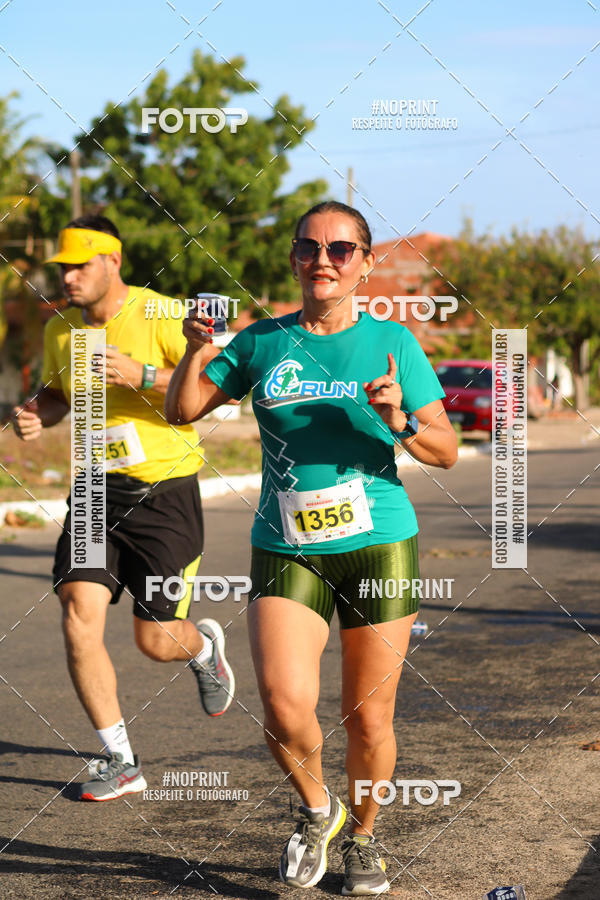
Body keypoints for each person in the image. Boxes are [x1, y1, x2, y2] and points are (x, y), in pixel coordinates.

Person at [165, 201, 457, 895]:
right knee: (281, 700)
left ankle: (363, 838)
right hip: (285, 543)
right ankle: (315, 808)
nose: (323, 260)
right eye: (309, 247)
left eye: (341, 249)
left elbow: (444, 450)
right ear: (294, 257)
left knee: (368, 713)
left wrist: (400, 421)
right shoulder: (262, 341)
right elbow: (183, 409)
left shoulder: (395, 345)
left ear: (364, 261)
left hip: (379, 543)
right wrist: (195, 348)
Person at [11, 215, 234, 801]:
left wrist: (146, 375)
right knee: (77, 611)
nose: (69, 277)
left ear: (113, 261)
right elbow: (59, 394)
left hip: (163, 493)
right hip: (91, 492)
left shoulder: (164, 314)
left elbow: (216, 393)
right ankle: (120, 760)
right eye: (63, 268)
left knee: (155, 640)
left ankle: (203, 648)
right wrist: (39, 412)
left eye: (80, 266)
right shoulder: (61, 330)